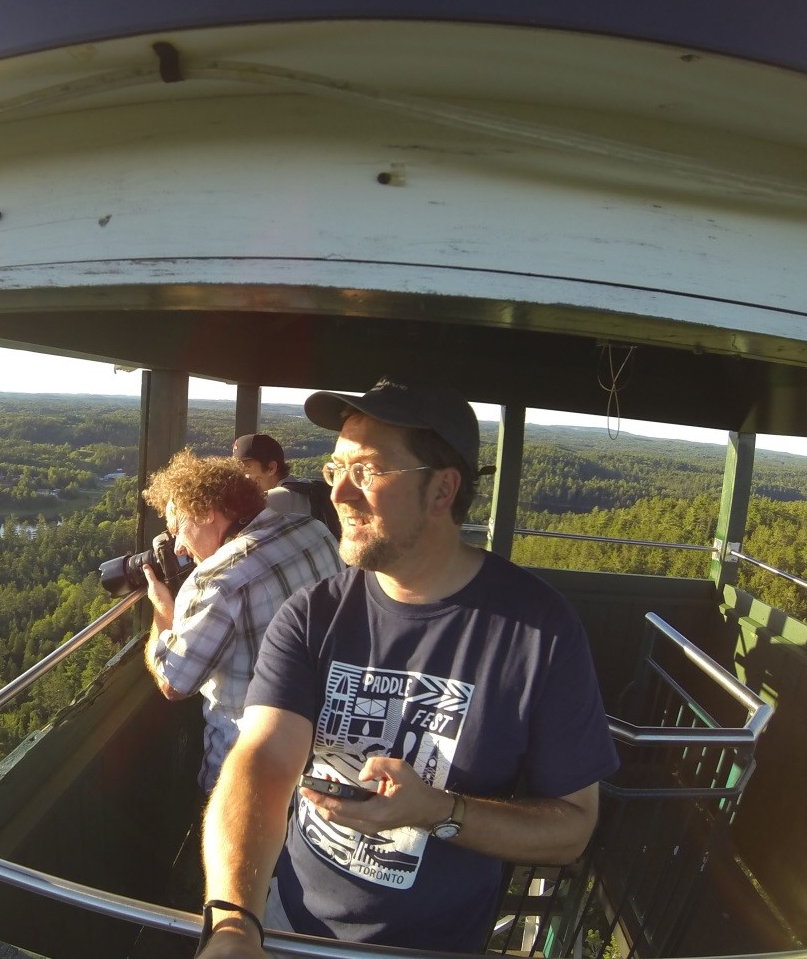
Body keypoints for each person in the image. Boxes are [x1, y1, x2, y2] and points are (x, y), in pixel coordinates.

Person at [197, 376, 619, 956]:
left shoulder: (539, 632)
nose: (339, 494)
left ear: (443, 490)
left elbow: (573, 827)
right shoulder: (313, 614)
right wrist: (234, 923)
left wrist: (439, 812)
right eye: (334, 469)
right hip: (288, 926)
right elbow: (263, 762)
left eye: (366, 472)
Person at [139, 449, 343, 791]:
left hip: (247, 765)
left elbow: (174, 684)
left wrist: (162, 609)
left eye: (177, 529)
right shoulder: (314, 530)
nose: (177, 548)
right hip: (322, 743)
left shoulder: (214, 582)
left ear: (203, 513)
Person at [233, 433, 340, 539]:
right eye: (236, 469)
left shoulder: (271, 500)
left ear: (271, 468)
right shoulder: (306, 486)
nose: (240, 475)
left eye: (246, 468)